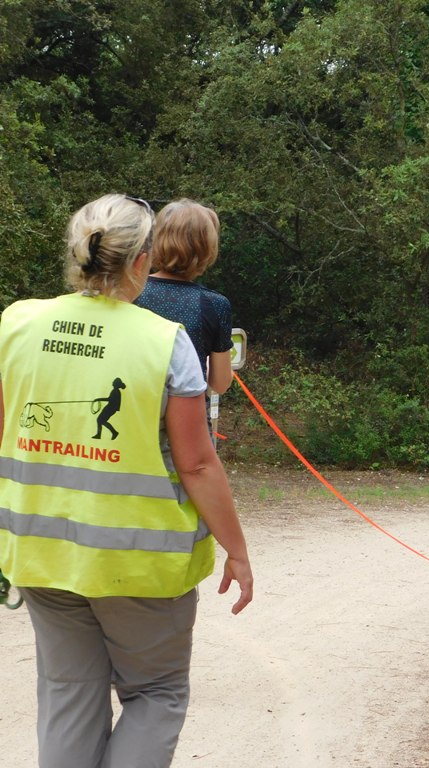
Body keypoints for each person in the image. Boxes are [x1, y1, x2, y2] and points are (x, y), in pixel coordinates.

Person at [0, 193, 254, 768]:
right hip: (143, 562)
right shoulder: (164, 342)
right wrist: (236, 549)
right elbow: (196, 462)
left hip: (42, 553)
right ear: (142, 258)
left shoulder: (15, 323)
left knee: (68, 697)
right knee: (156, 693)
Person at [135, 198, 233, 401]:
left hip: (136, 415)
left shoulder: (132, 291)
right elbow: (220, 383)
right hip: (190, 419)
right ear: (206, 249)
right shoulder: (215, 304)